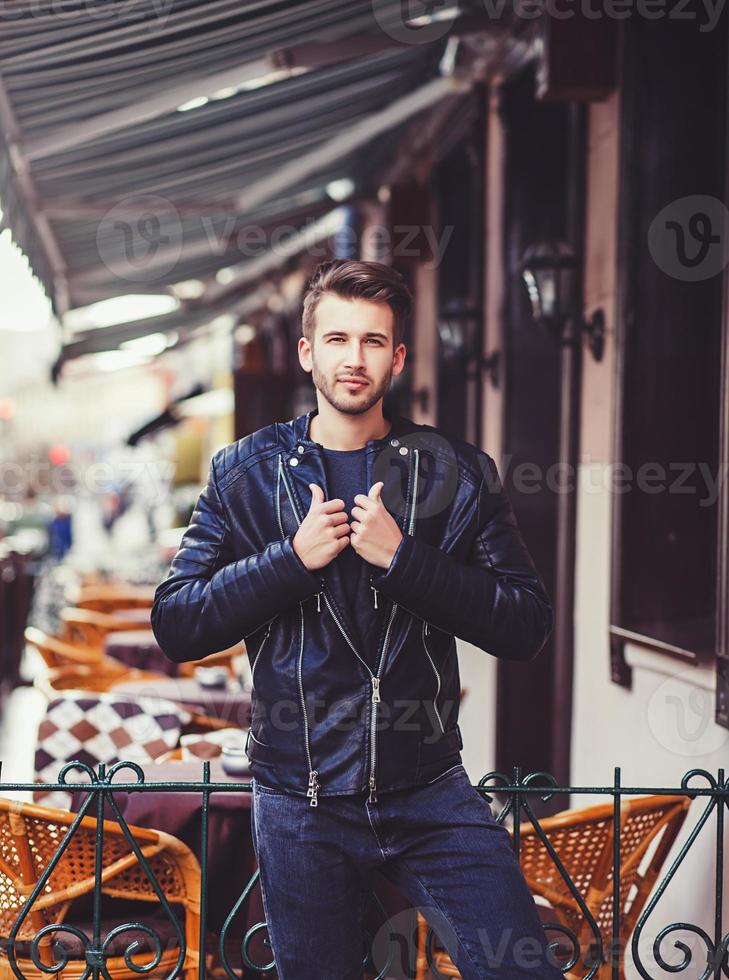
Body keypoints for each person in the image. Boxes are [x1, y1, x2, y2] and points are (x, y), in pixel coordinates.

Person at [151, 260, 562, 979]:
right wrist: (289, 560)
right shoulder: (241, 474)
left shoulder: (455, 473)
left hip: (430, 789)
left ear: (397, 358)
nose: (354, 357)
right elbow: (178, 622)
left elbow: (524, 623)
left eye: (373, 341)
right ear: (307, 351)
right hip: (300, 802)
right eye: (336, 338)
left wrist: (404, 560)